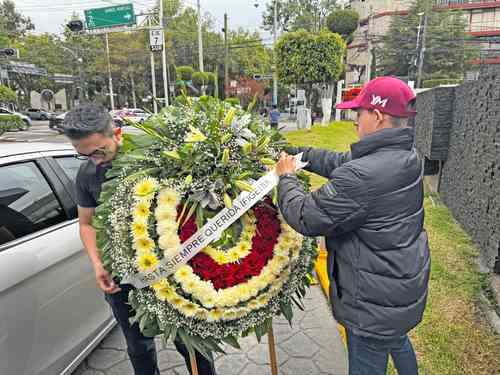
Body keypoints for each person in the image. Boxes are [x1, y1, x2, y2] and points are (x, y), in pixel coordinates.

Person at [275, 77, 430, 375]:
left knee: (368, 359)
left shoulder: (363, 176)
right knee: (396, 339)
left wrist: (286, 178)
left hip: (372, 299)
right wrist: (299, 154)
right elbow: (340, 162)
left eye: (359, 113)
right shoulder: (405, 156)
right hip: (399, 284)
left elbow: (306, 215)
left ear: (378, 116)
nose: (354, 120)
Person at [61, 103, 217, 375]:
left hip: (174, 270)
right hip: (123, 278)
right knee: (138, 345)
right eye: (83, 155)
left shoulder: (156, 157)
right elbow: (86, 223)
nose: (95, 160)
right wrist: (98, 263)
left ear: (117, 134)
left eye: (99, 151)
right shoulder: (86, 174)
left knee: (191, 342)